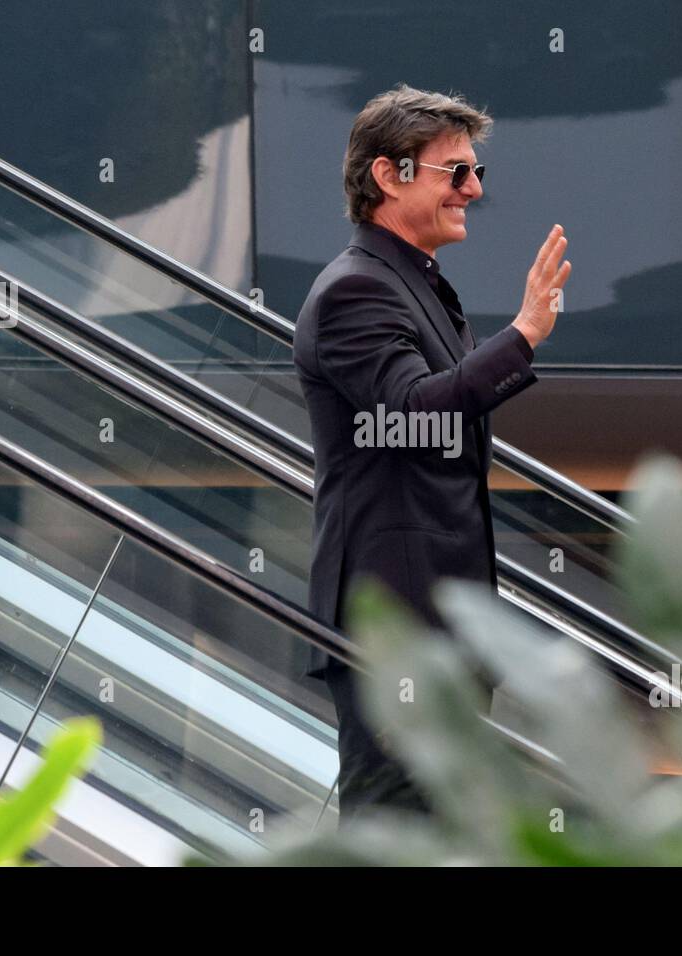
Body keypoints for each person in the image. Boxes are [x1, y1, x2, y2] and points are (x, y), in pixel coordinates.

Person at [292, 83, 570, 822]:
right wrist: (524, 335)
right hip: (397, 637)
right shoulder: (355, 291)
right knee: (395, 838)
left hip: (437, 634)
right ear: (389, 176)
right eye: (456, 172)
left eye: (477, 172)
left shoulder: (412, 283)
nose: (474, 189)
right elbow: (415, 413)